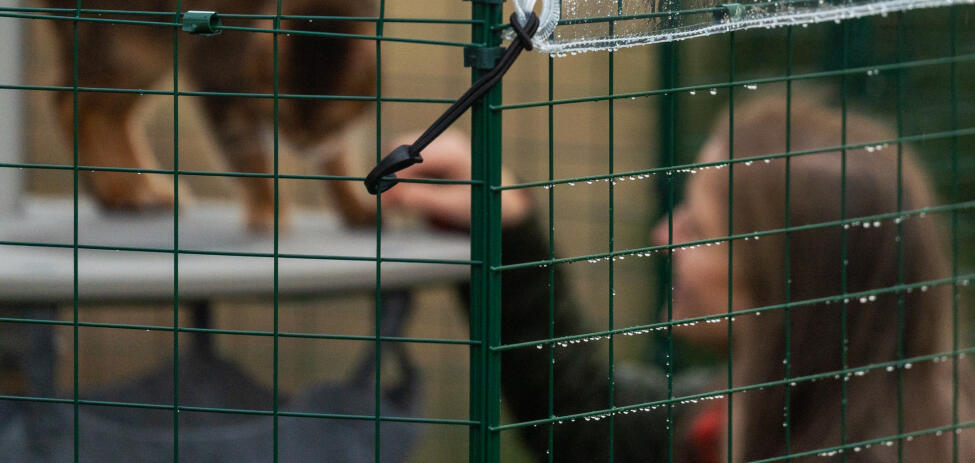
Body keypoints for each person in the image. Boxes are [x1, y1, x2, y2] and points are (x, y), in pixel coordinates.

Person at [384, 92, 975, 463]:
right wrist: (503, 225)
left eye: (699, 227)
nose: (664, 235)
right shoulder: (768, 409)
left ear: (784, 282)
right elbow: (584, 418)